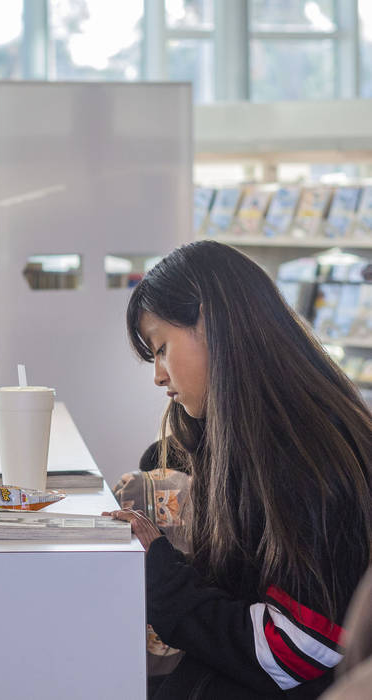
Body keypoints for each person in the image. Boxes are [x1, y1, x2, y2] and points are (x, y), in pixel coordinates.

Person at [106, 240, 372, 699]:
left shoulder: (306, 458)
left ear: (212, 323)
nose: (159, 376)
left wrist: (162, 576)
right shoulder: (263, 436)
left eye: (163, 348)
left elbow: (293, 651)